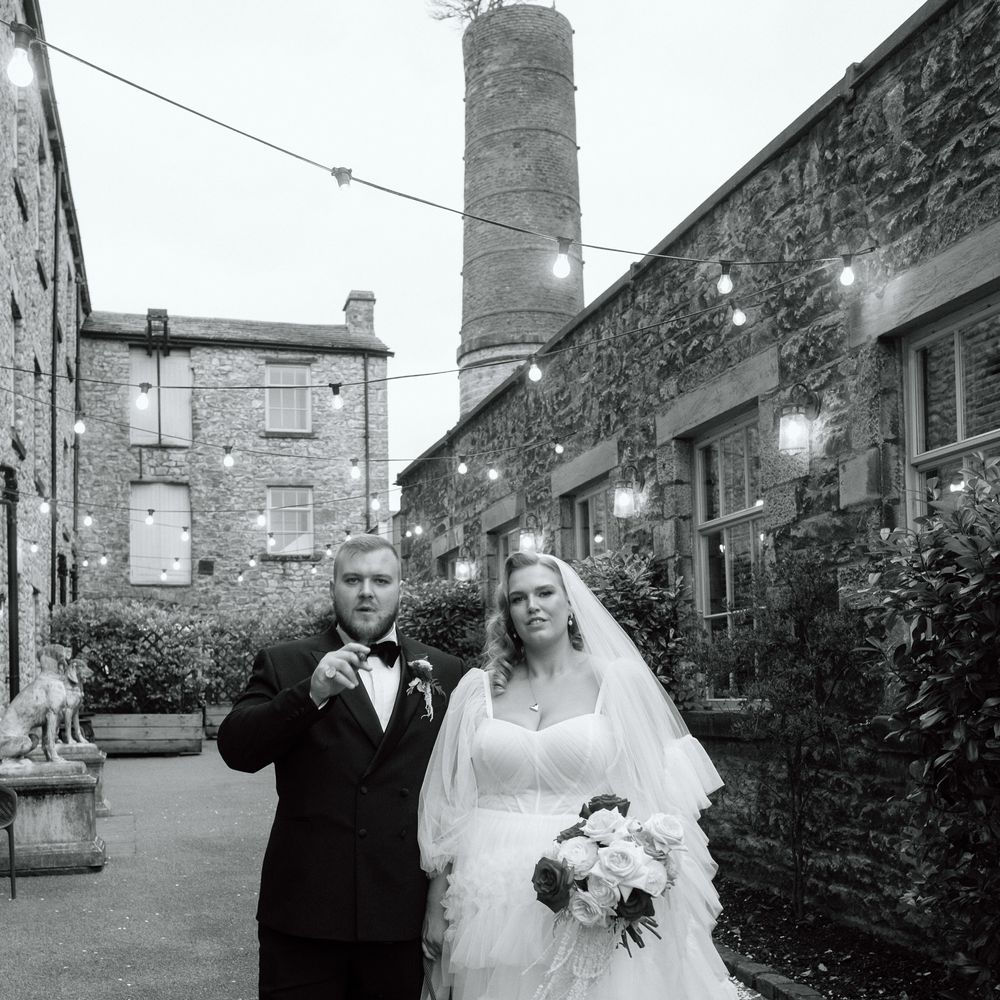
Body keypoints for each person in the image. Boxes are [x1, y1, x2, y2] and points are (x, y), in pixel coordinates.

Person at [418, 551, 738, 1000]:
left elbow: (655, 797)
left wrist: (634, 877)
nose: (532, 606)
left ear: (570, 603)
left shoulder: (616, 681)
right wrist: (435, 903)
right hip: (485, 897)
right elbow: (453, 804)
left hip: (588, 891)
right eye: (518, 598)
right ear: (508, 613)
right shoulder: (477, 690)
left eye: (545, 592)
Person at [218, 534, 465, 1000]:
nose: (366, 592)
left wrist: (440, 897)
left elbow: (458, 790)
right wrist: (310, 693)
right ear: (333, 588)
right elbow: (237, 748)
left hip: (399, 914)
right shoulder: (286, 662)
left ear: (400, 588)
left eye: (380, 580)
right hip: (305, 914)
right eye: (353, 580)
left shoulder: (446, 671)